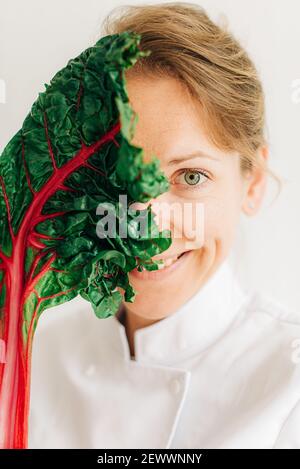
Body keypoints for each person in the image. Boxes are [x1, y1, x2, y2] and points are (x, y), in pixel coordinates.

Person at [28, 2, 300, 449]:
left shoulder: (287, 384)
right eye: (118, 177)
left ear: (250, 183)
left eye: (191, 177)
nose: (143, 222)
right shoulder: (35, 359)